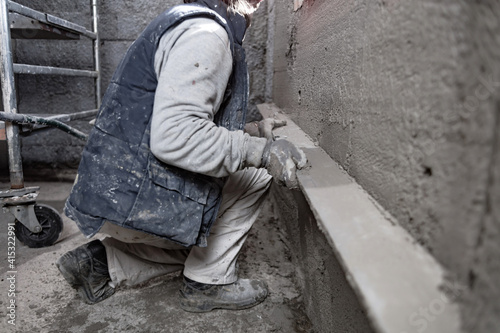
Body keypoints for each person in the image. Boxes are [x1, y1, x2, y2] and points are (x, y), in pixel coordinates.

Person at [56, 0, 306, 312]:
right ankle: (209, 283)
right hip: (132, 199)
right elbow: (175, 136)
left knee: (205, 243)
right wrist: (262, 151)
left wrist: (253, 130)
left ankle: (101, 263)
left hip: (115, 189)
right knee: (252, 178)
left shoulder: (186, 21)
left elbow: (179, 120)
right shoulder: (209, 34)